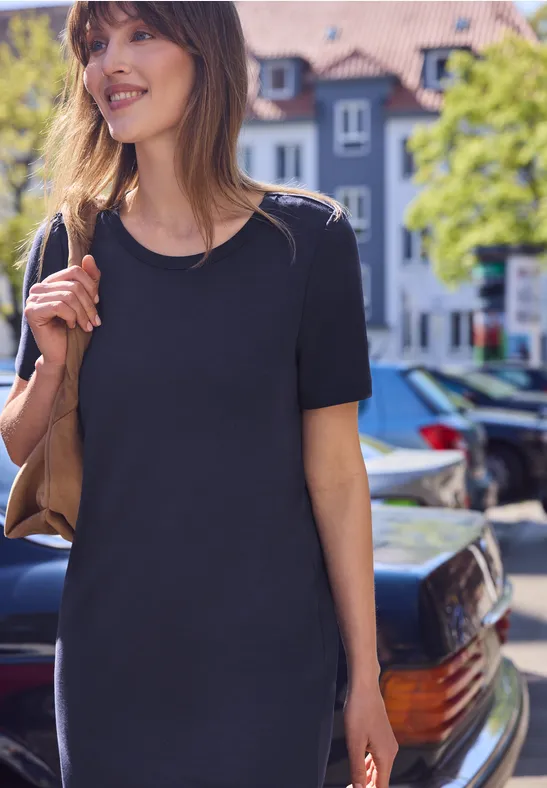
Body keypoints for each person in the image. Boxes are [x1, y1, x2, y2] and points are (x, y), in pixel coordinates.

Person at [0, 2, 397, 787]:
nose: (109, 62)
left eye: (141, 34)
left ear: (205, 52)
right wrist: (50, 363)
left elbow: (336, 477)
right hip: (112, 661)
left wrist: (365, 678)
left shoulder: (307, 242)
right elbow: (18, 442)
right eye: (95, 43)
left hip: (269, 665)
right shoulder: (70, 242)